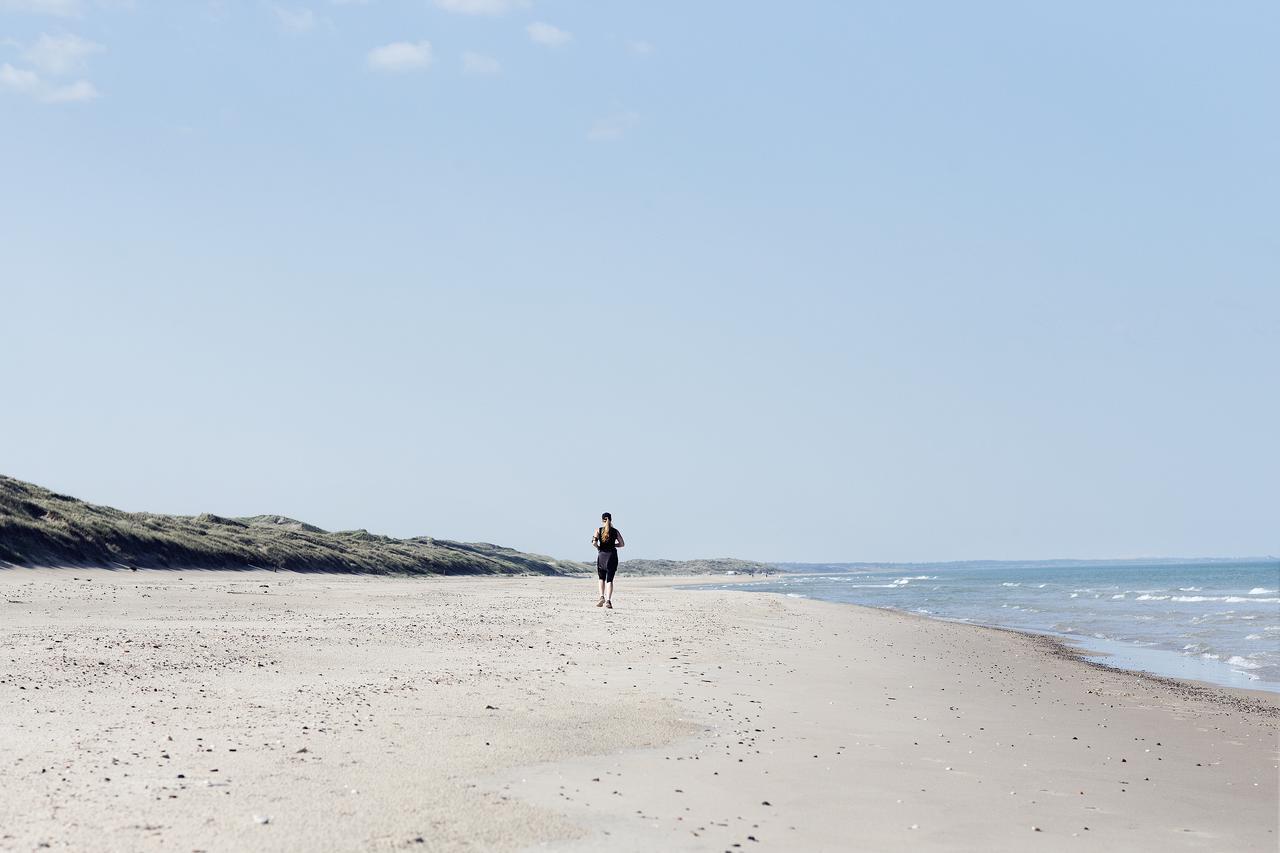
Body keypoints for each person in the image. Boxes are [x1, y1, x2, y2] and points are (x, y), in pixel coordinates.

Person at [590, 512, 624, 609]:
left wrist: (599, 547)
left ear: (602, 520)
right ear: (611, 519)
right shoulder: (615, 531)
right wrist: (613, 545)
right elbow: (622, 544)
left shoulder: (598, 530)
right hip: (612, 556)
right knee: (610, 580)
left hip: (602, 556)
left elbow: (594, 543)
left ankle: (601, 597)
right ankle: (608, 600)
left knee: (601, 578)